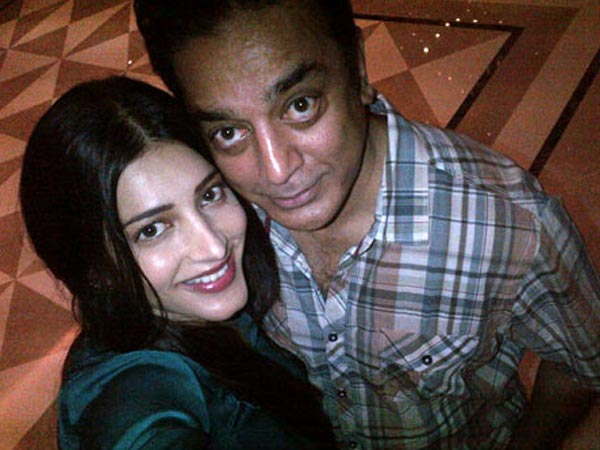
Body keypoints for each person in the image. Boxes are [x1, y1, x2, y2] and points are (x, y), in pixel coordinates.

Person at [134, 0, 600, 448]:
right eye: (229, 132)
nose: (276, 172)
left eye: (301, 104)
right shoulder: (216, 219)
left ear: (357, 70)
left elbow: (581, 365)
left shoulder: (512, 225)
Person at [19, 76, 336, 449]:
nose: (214, 247)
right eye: (152, 229)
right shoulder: (133, 397)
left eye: (210, 195)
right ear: (95, 271)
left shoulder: (205, 310)